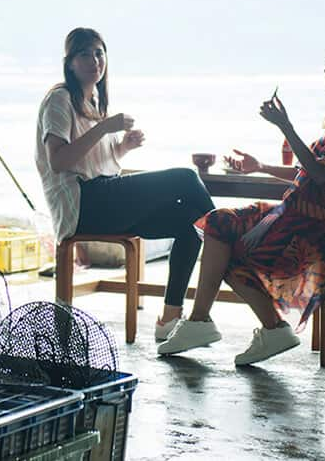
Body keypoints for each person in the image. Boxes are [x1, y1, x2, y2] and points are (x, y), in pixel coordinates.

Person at [157, 34, 325, 365]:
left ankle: (207, 322)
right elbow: (314, 175)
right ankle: (261, 328)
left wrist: (285, 125)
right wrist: (260, 167)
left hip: (319, 224)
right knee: (223, 240)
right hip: (308, 213)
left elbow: (323, 176)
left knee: (221, 228)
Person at [36, 27, 216, 341]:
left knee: (191, 222)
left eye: (99, 52)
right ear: (70, 62)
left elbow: (96, 163)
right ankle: (231, 246)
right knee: (187, 178)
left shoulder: (92, 101)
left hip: (102, 197)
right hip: (82, 205)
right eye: (84, 53)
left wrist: (122, 148)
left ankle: (170, 321)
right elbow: (59, 162)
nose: (94, 60)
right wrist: (105, 127)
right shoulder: (60, 98)